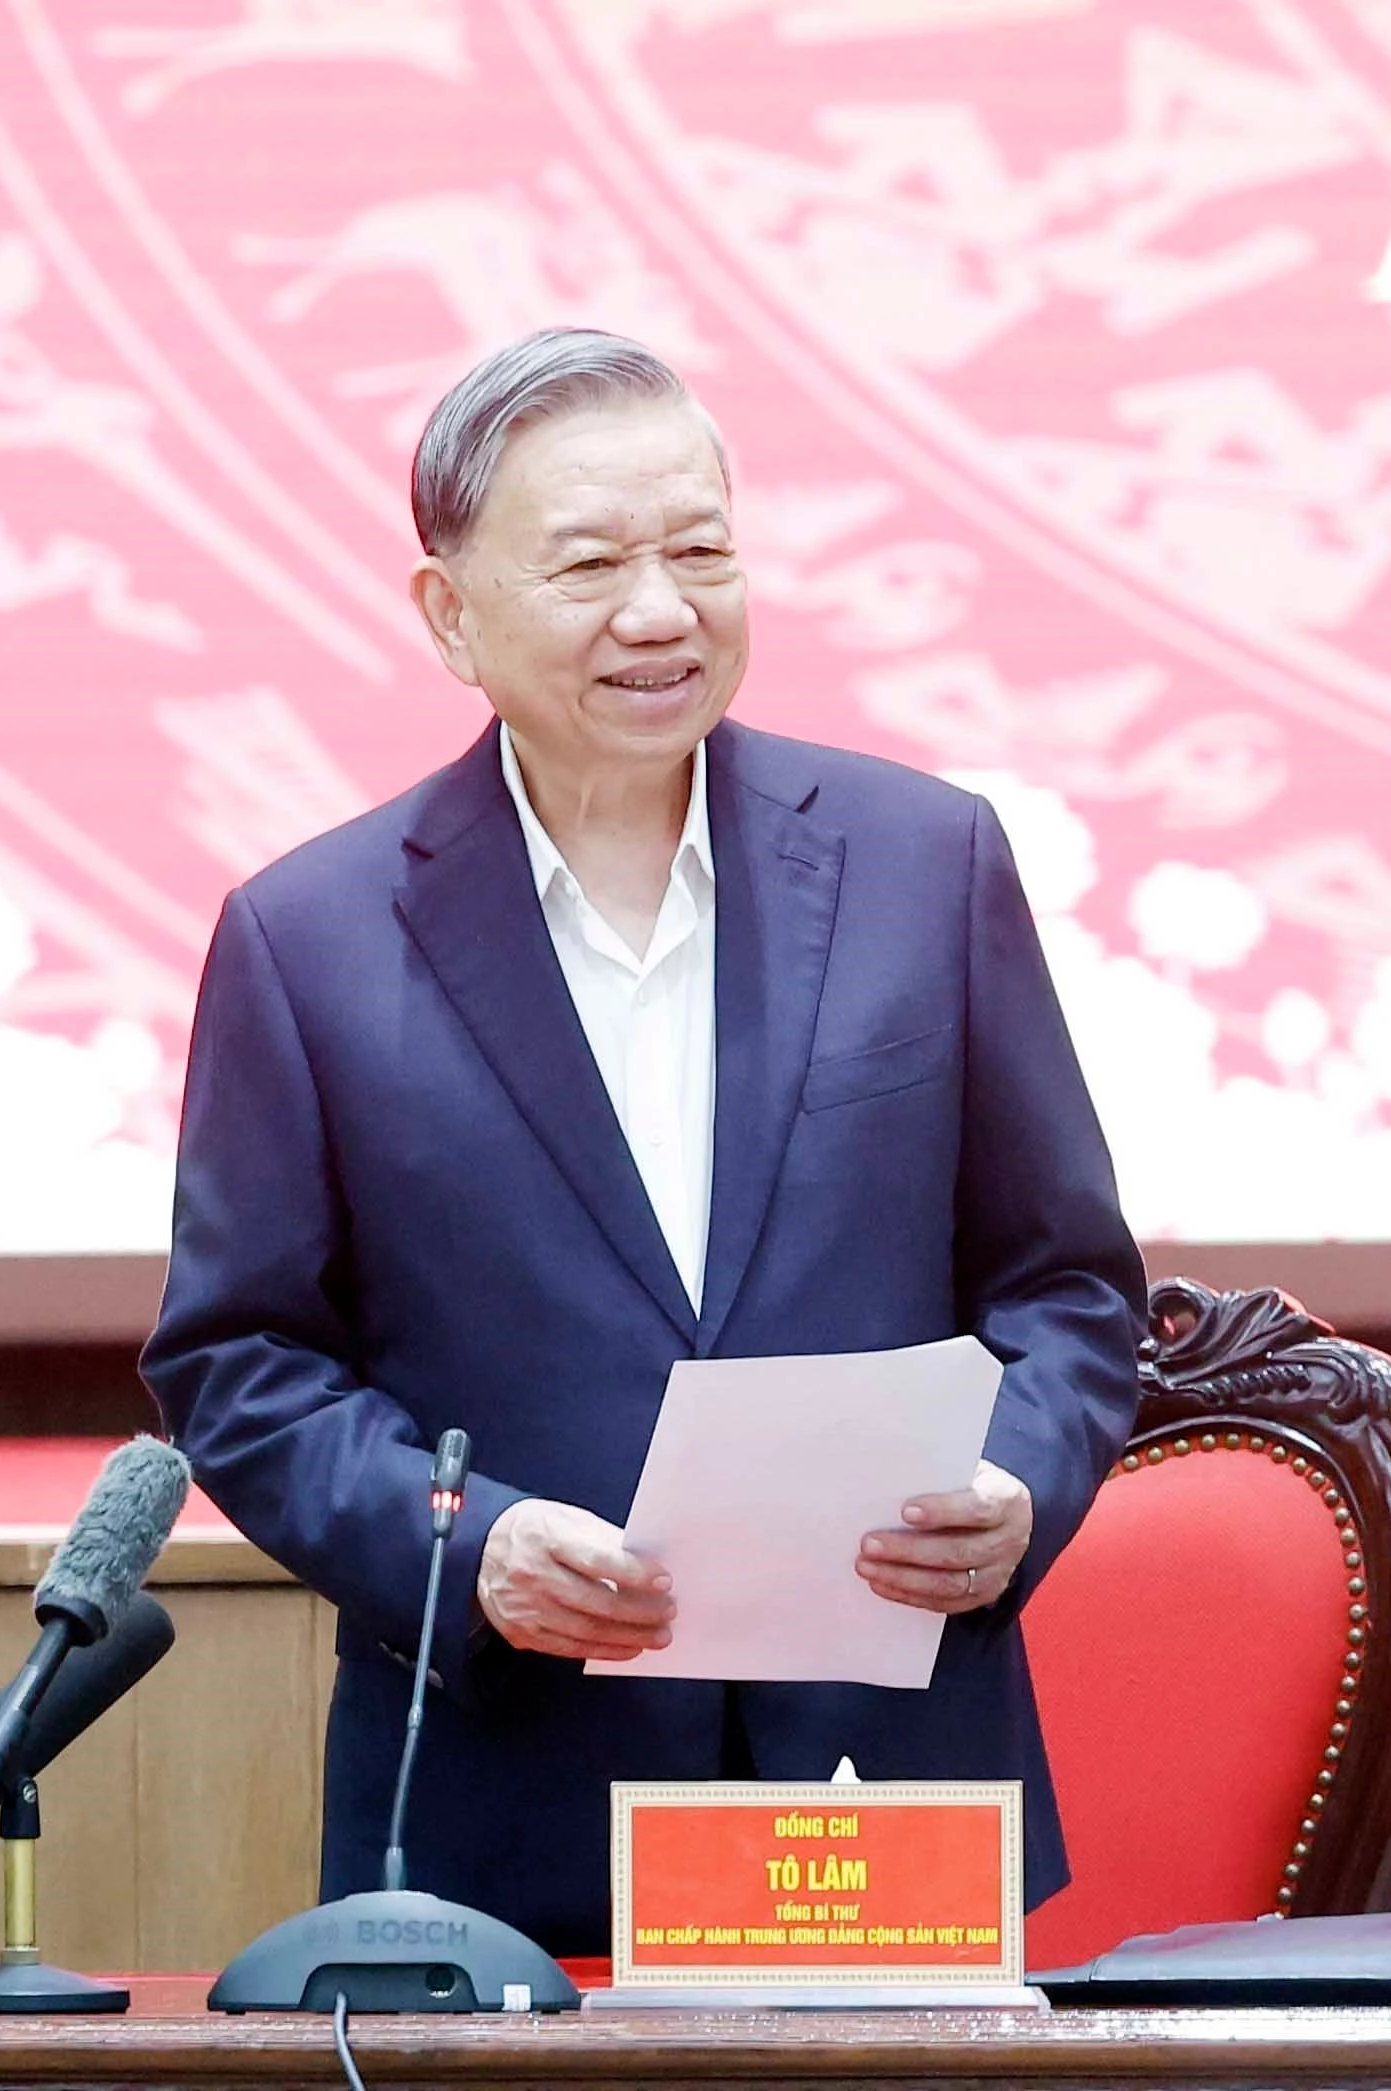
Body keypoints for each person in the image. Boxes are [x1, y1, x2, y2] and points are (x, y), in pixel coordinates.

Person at [141, 328, 1147, 1954]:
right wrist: (466, 1552)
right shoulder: (309, 939)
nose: (662, 609)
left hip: (881, 1795)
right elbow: (241, 1363)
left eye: (701, 551)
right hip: (513, 1808)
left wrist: (1017, 1482)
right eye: (593, 562)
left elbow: (1071, 1287)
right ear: (449, 614)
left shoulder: (923, 862)